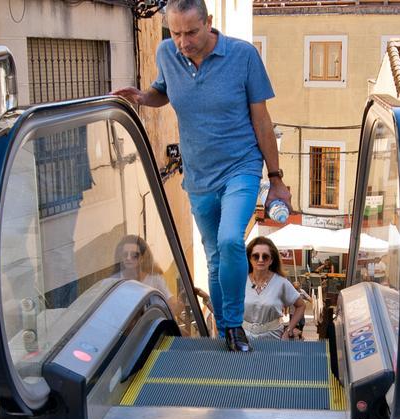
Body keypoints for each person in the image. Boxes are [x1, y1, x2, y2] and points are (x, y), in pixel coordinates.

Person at [111, 0, 292, 353]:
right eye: (176, 33)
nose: (184, 41)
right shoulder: (167, 53)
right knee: (212, 255)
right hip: (198, 174)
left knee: (229, 242)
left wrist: (276, 178)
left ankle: (234, 325)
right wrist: (144, 97)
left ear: (209, 23)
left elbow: (262, 121)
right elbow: (164, 91)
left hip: (241, 166)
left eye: (191, 32)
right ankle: (226, 330)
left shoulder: (242, 57)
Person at [244, 237, 306, 340]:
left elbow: (301, 305)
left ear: (271, 260)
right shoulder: (241, 281)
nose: (260, 260)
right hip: (244, 338)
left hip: (273, 337)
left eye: (265, 256)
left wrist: (289, 330)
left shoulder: (281, 282)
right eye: (255, 256)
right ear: (249, 259)